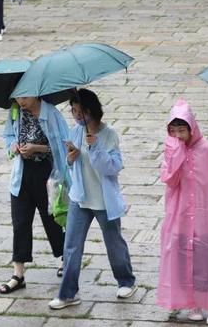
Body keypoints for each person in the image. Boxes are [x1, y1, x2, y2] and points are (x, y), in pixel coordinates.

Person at [49, 89, 137, 309]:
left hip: (104, 201)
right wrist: (71, 158)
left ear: (92, 111)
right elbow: (70, 167)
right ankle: (68, 293)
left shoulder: (109, 135)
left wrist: (95, 146)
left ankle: (126, 281)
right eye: (74, 111)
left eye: (81, 111)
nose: (77, 116)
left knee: (114, 243)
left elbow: (112, 168)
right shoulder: (76, 131)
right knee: (71, 246)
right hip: (81, 199)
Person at [157, 99, 208, 326]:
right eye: (173, 130)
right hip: (181, 215)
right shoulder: (171, 149)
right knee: (182, 258)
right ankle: (191, 302)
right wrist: (174, 156)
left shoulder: (207, 149)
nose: (178, 134)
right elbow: (169, 180)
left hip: (206, 214)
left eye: (182, 129)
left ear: (191, 127)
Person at [0, 96, 69, 295]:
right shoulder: (15, 111)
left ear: (36, 94)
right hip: (21, 174)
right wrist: (13, 146)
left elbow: (62, 145)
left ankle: (64, 258)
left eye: (25, 97)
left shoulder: (51, 113)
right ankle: (18, 274)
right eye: (18, 97)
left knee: (51, 219)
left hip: (46, 173)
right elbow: (8, 136)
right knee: (20, 223)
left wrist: (37, 148)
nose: (21, 101)